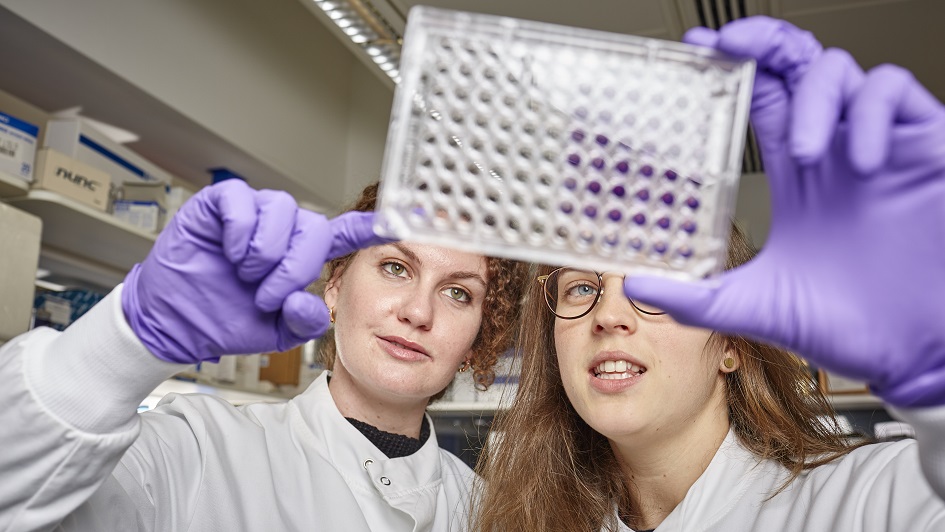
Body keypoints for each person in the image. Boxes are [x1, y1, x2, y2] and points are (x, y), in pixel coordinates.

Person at [474, 16, 945, 532]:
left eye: (659, 283)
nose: (608, 315)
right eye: (583, 287)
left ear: (732, 346)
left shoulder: (867, 501)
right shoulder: (519, 519)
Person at [0, 179, 527, 531]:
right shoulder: (195, 449)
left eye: (459, 292)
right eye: (395, 267)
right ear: (335, 287)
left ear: (477, 341)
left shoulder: (487, 510)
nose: (418, 311)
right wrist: (128, 342)